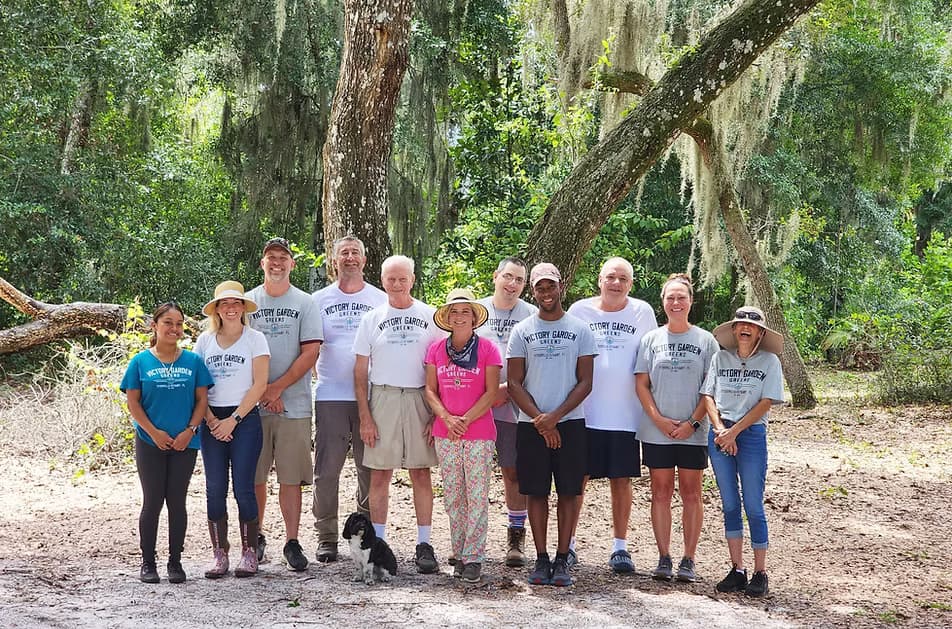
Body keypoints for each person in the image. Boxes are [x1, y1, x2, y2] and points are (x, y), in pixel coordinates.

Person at [353, 255, 445, 573]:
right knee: (380, 474)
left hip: (420, 396)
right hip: (384, 396)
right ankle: (377, 545)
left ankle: (424, 543)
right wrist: (365, 415)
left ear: (413, 279)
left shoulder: (430, 316)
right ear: (382, 280)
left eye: (402, 278)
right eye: (391, 278)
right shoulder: (372, 318)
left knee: (421, 472)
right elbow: (360, 371)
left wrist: (437, 413)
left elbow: (440, 367)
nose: (396, 284)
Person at [507, 262, 596, 587]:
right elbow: (514, 383)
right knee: (536, 490)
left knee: (570, 491)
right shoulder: (522, 331)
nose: (546, 293)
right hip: (530, 424)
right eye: (540, 288)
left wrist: (555, 417)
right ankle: (541, 559)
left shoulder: (580, 329)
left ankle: (562, 559)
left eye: (551, 286)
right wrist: (540, 421)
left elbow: (586, 381)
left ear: (561, 286)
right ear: (534, 291)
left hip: (570, 423)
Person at [567, 257, 657, 574]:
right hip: (585, 413)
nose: (616, 283)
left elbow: (651, 357)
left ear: (630, 284)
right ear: (599, 280)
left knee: (621, 480)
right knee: (577, 480)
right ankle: (568, 544)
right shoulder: (579, 311)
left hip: (625, 414)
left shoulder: (643, 312)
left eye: (623, 278)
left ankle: (620, 547)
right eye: (610, 277)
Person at [635, 273, 719, 582]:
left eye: (681, 297)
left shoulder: (705, 340)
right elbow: (642, 383)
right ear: (663, 302)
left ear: (690, 301)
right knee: (660, 491)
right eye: (670, 297)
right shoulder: (651, 340)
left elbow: (710, 388)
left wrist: (693, 422)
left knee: (691, 492)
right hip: (658, 429)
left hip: (692, 430)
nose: (675, 302)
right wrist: (656, 418)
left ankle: (688, 558)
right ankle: (664, 557)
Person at [121, 302, 213, 584]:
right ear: (155, 326)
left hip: (185, 442)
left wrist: (190, 430)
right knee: (152, 501)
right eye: (168, 323)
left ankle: (175, 562)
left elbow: (202, 401)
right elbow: (133, 403)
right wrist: (153, 432)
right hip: (150, 442)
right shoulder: (140, 362)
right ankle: (148, 563)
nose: (174, 329)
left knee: (177, 501)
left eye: (179, 323)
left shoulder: (193, 362)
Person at [246, 237, 323, 571]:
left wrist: (277, 389)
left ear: (292, 264)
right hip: (251, 406)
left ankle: (292, 541)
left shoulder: (305, 303)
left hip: (294, 404)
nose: (276, 263)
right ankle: (256, 537)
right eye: (270, 258)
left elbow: (310, 352)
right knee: (255, 476)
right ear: (262, 264)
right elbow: (236, 352)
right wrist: (263, 392)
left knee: (291, 478)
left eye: (283, 258)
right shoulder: (247, 303)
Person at [311, 236, 386, 563]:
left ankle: (363, 534)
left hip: (372, 396)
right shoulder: (318, 300)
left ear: (365, 260)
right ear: (335, 260)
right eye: (344, 253)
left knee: (369, 468)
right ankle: (326, 536)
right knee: (326, 470)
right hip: (331, 394)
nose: (350, 258)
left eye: (356, 252)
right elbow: (310, 347)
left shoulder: (380, 300)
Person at [701, 306, 785, 597]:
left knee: (753, 503)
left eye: (752, 326)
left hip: (750, 434)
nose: (745, 329)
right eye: (740, 325)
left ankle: (760, 572)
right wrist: (721, 429)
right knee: (730, 503)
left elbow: (767, 402)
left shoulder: (769, 361)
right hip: (720, 433)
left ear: (760, 332)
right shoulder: (720, 358)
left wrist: (734, 432)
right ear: (734, 330)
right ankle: (737, 568)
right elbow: (708, 395)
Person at [424, 288, 501, 583]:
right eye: (454, 312)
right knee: (455, 496)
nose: (459, 317)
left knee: (477, 495)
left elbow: (492, 392)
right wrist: (446, 418)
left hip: (478, 432)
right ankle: (459, 550)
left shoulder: (488, 350)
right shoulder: (435, 350)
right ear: (446, 317)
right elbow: (430, 390)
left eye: (465, 312)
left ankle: (474, 557)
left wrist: (465, 420)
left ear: (474, 317)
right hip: (446, 433)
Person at [195, 281, 270, 578]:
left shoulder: (255, 339)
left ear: (242, 307)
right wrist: (212, 420)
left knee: (243, 487)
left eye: (235, 303)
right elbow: (198, 385)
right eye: (224, 303)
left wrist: (234, 420)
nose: (230, 308)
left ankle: (249, 553)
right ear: (216, 309)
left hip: (245, 419)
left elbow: (260, 383)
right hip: (211, 419)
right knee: (215, 489)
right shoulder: (204, 341)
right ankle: (219, 553)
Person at [475, 257, 537, 567]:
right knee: (474, 475)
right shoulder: (475, 311)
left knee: (513, 471)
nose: (512, 284)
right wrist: (485, 395)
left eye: (519, 280)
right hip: (477, 408)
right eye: (508, 277)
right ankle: (471, 539)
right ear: (495, 276)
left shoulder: (532, 315)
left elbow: (537, 361)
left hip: (514, 406)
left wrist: (507, 390)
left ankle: (516, 535)